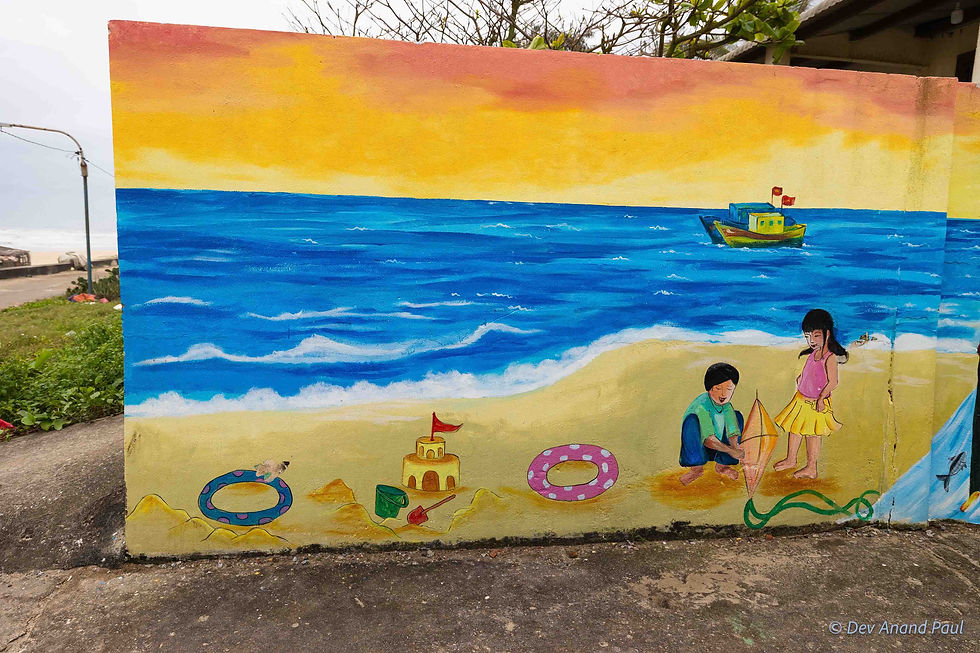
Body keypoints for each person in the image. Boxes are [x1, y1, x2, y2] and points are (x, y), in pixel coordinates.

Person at [773, 309, 847, 479]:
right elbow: (810, 372)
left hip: (816, 402)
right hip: (801, 399)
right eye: (807, 336)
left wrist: (821, 398)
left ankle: (811, 467)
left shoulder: (829, 357)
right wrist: (801, 378)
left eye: (816, 335)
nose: (811, 341)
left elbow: (833, 382)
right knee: (795, 429)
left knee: (812, 434)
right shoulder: (813, 353)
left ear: (827, 334)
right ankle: (791, 459)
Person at [679, 363, 745, 485]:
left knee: (737, 416)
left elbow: (732, 430)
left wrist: (735, 448)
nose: (723, 394)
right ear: (709, 388)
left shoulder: (727, 406)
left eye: (729, 389)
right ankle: (696, 469)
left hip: (718, 447)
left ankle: (722, 466)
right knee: (692, 421)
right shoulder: (702, 405)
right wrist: (731, 451)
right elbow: (708, 440)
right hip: (700, 447)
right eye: (718, 388)